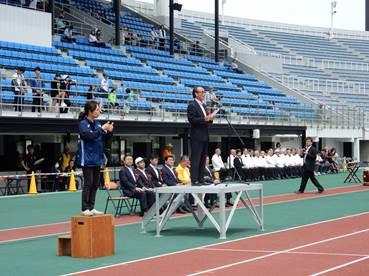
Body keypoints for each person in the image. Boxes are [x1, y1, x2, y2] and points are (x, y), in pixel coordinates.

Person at [77, 101, 114, 216]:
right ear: (90, 111)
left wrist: (109, 132)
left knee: (95, 184)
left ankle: (91, 206)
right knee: (88, 183)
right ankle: (85, 208)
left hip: (97, 158)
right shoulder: (83, 124)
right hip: (87, 158)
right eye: (97, 109)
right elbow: (90, 136)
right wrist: (102, 129)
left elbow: (103, 138)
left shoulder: (97, 124)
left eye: (99, 109)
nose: (99, 111)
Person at [187, 86, 213, 185]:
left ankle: (201, 179)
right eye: (202, 92)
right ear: (196, 94)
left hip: (205, 135)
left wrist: (210, 118)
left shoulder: (204, 105)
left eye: (204, 92)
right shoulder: (192, 105)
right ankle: (194, 180)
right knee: (196, 159)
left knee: (203, 159)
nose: (203, 94)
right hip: (196, 136)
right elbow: (192, 119)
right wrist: (204, 119)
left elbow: (205, 120)